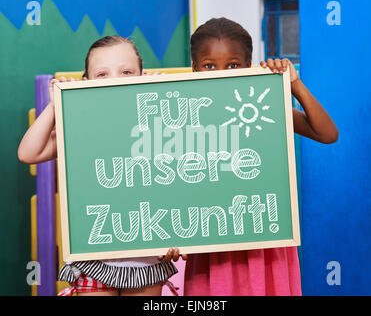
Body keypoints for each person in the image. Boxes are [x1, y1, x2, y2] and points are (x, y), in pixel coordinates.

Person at [18, 35, 184, 296]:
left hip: (146, 259)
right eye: (102, 74)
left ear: (143, 76)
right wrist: (54, 105)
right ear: (87, 83)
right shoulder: (77, 129)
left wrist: (163, 98)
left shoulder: (160, 127)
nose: (115, 80)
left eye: (126, 71)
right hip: (94, 258)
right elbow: (29, 152)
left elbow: (185, 184)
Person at [183, 17, 338, 296]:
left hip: (264, 242)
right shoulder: (181, 115)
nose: (221, 73)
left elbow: (327, 133)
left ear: (247, 66)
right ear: (194, 68)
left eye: (232, 65)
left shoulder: (261, 109)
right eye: (209, 65)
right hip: (211, 241)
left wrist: (294, 86)